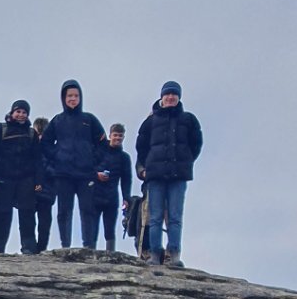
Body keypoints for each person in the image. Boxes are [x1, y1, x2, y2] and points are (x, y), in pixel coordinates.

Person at [135, 81, 203, 267]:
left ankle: (174, 255)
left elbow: (196, 144)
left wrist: (186, 161)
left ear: (179, 97)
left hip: (178, 176)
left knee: (175, 217)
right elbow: (141, 147)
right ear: (161, 97)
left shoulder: (188, 120)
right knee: (155, 216)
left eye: (174, 94)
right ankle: (155, 255)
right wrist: (147, 166)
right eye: (167, 94)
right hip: (155, 176)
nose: (171, 97)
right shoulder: (150, 122)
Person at [41, 80, 106, 248]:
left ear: (80, 98)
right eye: (69, 96)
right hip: (63, 174)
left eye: (76, 96)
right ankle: (65, 245)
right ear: (63, 98)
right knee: (64, 211)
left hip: (86, 174)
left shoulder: (89, 120)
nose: (73, 99)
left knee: (87, 210)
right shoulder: (57, 120)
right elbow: (45, 143)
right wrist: (57, 156)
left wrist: (94, 161)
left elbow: (102, 143)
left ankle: (89, 246)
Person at [0, 100, 43, 254]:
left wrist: (38, 181)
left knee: (27, 215)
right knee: (1, 215)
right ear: (12, 112)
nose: (21, 115)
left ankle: (28, 247)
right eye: (18, 111)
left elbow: (37, 159)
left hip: (25, 179)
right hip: (3, 179)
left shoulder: (31, 133)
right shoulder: (1, 129)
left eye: (24, 112)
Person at [91, 123, 132, 252]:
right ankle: (89, 253)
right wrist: (96, 175)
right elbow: (86, 168)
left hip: (112, 197)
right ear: (110, 135)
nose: (117, 138)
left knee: (110, 229)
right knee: (92, 227)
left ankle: (111, 254)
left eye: (120, 136)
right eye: (115, 135)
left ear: (123, 137)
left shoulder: (124, 158)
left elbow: (126, 179)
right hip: (95, 194)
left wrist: (126, 198)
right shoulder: (98, 151)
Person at [31, 117, 55, 253]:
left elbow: (56, 169)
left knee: (44, 223)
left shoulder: (53, 150)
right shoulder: (29, 147)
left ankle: (41, 248)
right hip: (31, 190)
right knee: (29, 221)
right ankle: (30, 247)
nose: (40, 137)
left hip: (47, 191)